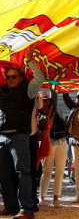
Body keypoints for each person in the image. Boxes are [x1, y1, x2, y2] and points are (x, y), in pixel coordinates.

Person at [0, 46, 45, 219]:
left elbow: (40, 78)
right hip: (2, 136)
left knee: (23, 171)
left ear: (20, 77)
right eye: (8, 77)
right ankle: (11, 206)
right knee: (2, 173)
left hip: (19, 135)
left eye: (14, 76)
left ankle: (27, 209)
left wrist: (30, 61)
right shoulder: (2, 92)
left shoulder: (28, 90)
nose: (10, 79)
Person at [38, 90, 68, 208]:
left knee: (60, 170)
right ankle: (42, 197)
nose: (47, 102)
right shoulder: (38, 114)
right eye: (44, 100)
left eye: (48, 100)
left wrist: (53, 86)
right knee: (47, 171)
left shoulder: (53, 110)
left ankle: (56, 198)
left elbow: (54, 95)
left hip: (61, 141)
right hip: (48, 144)